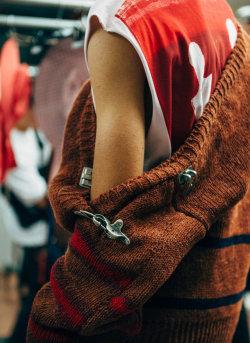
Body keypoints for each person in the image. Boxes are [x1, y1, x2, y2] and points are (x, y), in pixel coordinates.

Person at [27, 0, 250, 342]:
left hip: (150, 313)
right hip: (216, 299)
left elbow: (111, 233)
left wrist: (52, 325)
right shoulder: (221, 13)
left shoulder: (122, 22)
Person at [0, 38, 52, 343]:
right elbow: (40, 198)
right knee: (36, 289)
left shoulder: (31, 133)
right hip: (31, 228)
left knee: (33, 286)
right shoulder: (14, 149)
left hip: (35, 224)